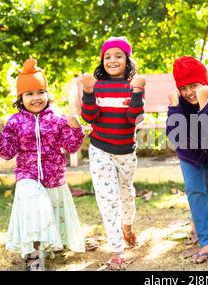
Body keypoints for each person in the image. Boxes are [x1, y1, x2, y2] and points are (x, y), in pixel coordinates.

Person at [0, 58, 86, 271]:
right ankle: (33, 258)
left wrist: (76, 129)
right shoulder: (14, 122)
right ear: (20, 98)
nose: (35, 98)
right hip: (27, 176)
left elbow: (70, 148)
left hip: (53, 178)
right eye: (29, 94)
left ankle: (48, 247)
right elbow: (7, 152)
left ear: (47, 94)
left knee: (48, 214)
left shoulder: (57, 119)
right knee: (33, 211)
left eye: (40, 92)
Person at [80, 36, 145, 270]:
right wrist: (88, 92)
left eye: (118, 55)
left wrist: (137, 92)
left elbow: (134, 118)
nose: (112, 60)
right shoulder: (97, 86)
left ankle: (127, 225)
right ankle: (116, 249)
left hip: (126, 151)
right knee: (108, 200)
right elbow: (89, 117)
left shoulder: (132, 85)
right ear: (102, 61)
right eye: (107, 56)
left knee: (126, 192)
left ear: (127, 60)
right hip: (100, 148)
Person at [166, 56, 208, 264]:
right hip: (190, 155)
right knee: (195, 190)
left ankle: (196, 219)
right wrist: (175, 107)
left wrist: (204, 101)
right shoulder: (180, 102)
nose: (189, 92)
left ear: (205, 83)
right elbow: (175, 134)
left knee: (206, 187)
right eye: (183, 88)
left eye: (194, 86)